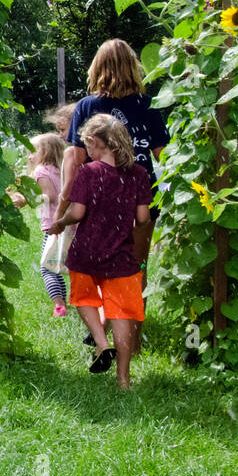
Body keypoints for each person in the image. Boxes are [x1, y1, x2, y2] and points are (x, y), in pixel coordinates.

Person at [54, 40, 167, 349]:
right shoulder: (149, 104)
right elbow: (163, 155)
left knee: (97, 264)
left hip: (98, 198)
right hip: (140, 196)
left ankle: (102, 327)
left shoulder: (87, 107)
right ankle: (132, 337)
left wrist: (66, 204)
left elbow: (77, 159)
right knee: (135, 266)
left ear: (97, 68)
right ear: (134, 67)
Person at [48, 114, 151, 389]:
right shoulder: (139, 174)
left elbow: (78, 212)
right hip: (122, 256)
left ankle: (101, 343)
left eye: (87, 145)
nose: (87, 152)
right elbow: (142, 219)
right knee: (122, 315)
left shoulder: (89, 172)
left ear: (95, 142)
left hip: (86, 253)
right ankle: (124, 380)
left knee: (83, 299)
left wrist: (60, 222)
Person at [12, 132, 68, 316]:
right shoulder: (60, 170)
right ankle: (66, 302)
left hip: (54, 226)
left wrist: (26, 199)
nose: (29, 156)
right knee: (57, 264)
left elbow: (49, 196)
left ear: (47, 152)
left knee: (47, 268)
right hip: (67, 224)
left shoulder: (41, 171)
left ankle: (59, 305)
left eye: (33, 151)